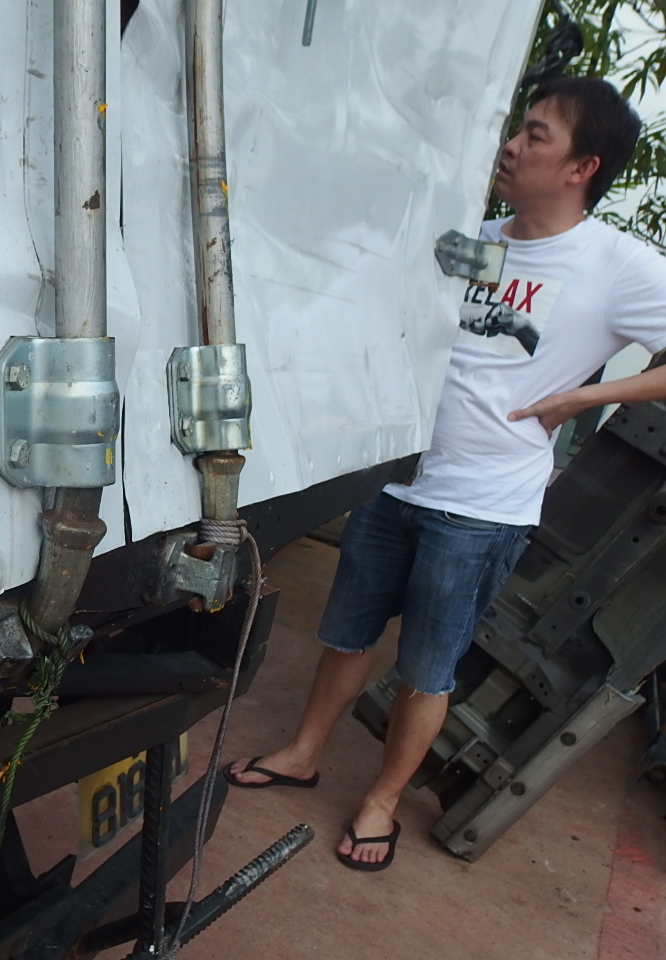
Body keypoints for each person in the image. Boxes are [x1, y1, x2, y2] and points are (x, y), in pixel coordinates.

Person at [226, 76, 666, 871]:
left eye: (536, 135)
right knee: (347, 635)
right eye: (517, 129)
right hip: (395, 480)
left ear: (582, 168)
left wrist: (587, 395)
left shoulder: (615, 264)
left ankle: (382, 801)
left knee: (427, 671)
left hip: (482, 508)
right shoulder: (478, 237)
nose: (512, 145)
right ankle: (303, 752)